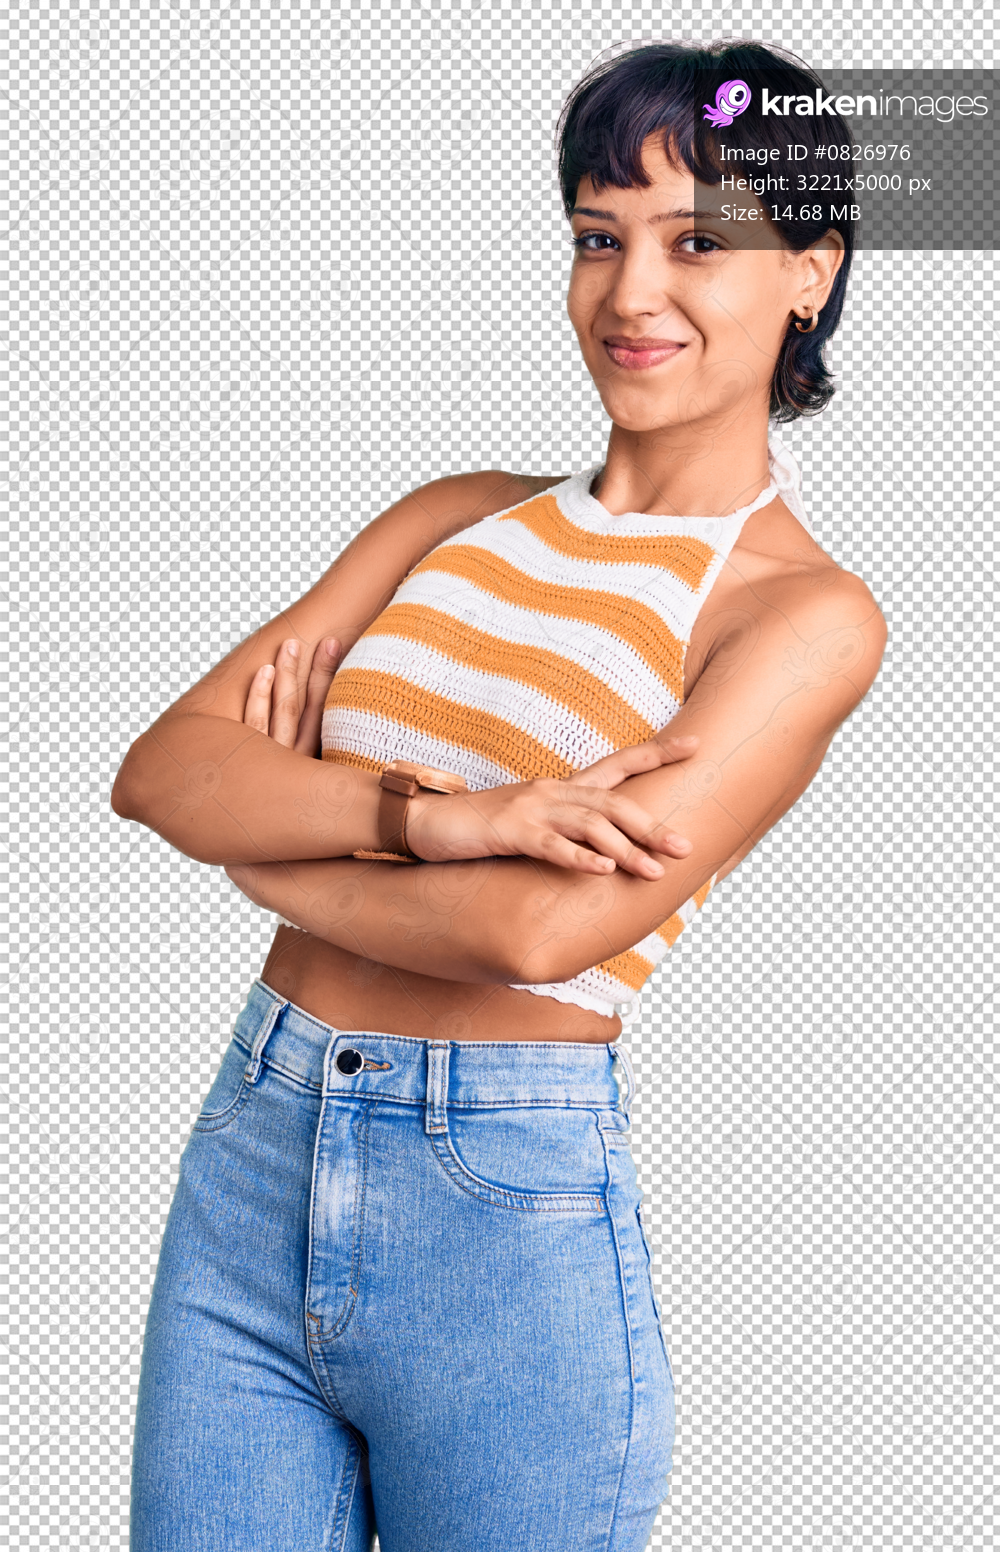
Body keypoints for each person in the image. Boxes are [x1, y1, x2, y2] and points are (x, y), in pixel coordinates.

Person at [112, 38, 887, 1552]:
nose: (630, 293)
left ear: (810, 269)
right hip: (252, 1151)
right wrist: (438, 821)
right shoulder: (453, 518)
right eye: (599, 237)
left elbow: (542, 937)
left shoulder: (795, 617)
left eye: (698, 241)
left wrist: (271, 847)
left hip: (501, 1210)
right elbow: (162, 774)